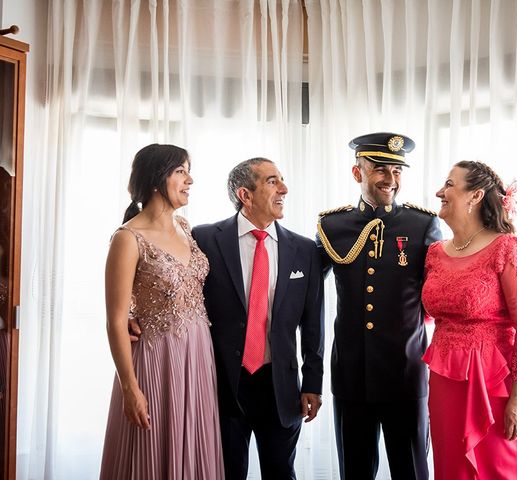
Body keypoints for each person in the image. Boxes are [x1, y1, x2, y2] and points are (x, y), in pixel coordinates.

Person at [316, 133, 441, 480]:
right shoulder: (332, 226)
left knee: (411, 470)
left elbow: (443, 289)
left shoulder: (422, 225)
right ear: (358, 173)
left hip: (405, 371)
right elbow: (308, 295)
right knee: (354, 471)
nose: (390, 180)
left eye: (397, 171)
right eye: (380, 170)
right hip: (351, 374)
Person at [191, 157, 324, 480]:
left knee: (281, 473)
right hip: (223, 385)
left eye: (282, 180)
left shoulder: (305, 250)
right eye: (272, 181)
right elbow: (179, 287)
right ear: (245, 195)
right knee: (225, 473)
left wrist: (313, 383)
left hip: (280, 387)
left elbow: (313, 323)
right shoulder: (205, 238)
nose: (284, 189)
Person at [100, 144, 224, 479]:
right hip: (156, 357)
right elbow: (114, 319)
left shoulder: (185, 227)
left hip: (198, 355)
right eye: (181, 171)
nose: (190, 180)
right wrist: (129, 386)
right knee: (151, 447)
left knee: (196, 445)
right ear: (158, 178)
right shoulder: (128, 238)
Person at [422, 160, 517, 479]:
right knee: (451, 468)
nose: (439, 192)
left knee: (500, 468)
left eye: (449, 184)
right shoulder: (434, 253)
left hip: (495, 386)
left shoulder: (508, 248)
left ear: (474, 196)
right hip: (445, 381)